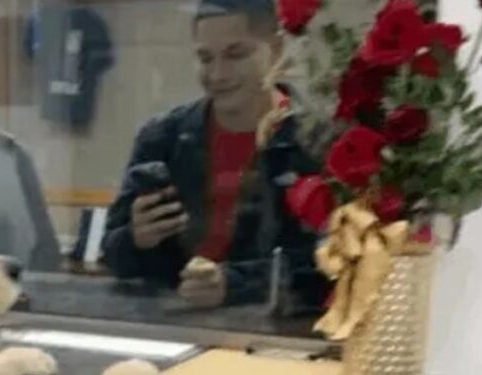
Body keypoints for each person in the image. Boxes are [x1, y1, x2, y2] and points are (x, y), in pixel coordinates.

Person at [101, 0, 328, 311]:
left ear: (275, 51)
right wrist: (136, 238)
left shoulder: (317, 141)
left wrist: (235, 284)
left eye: (236, 55)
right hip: (172, 324)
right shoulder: (162, 138)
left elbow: (334, 263)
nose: (218, 74)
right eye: (205, 58)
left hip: (277, 330)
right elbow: (111, 254)